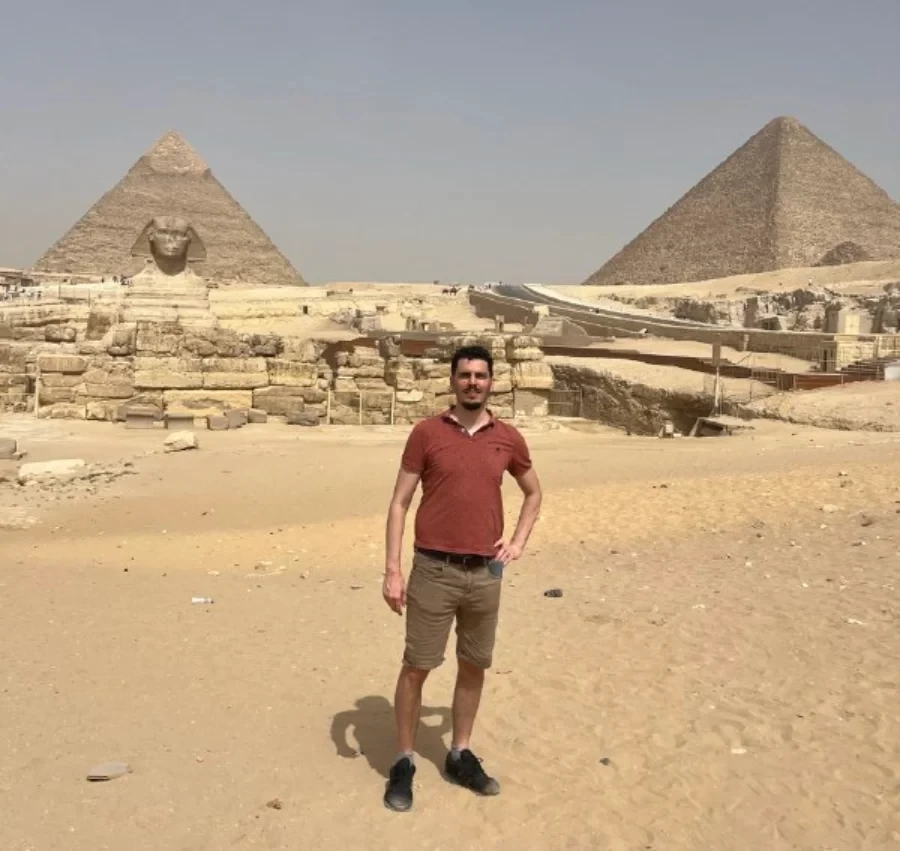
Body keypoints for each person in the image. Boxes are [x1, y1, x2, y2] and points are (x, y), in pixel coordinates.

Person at [381, 344, 543, 812]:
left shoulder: (507, 438)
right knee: (418, 665)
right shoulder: (426, 433)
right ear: (452, 381)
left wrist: (517, 542)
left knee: (474, 665)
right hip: (433, 568)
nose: (473, 382)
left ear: (492, 381)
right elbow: (399, 503)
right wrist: (393, 571)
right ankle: (405, 759)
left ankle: (459, 752)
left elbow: (533, 493)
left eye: (481, 375)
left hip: (486, 572)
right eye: (465, 375)